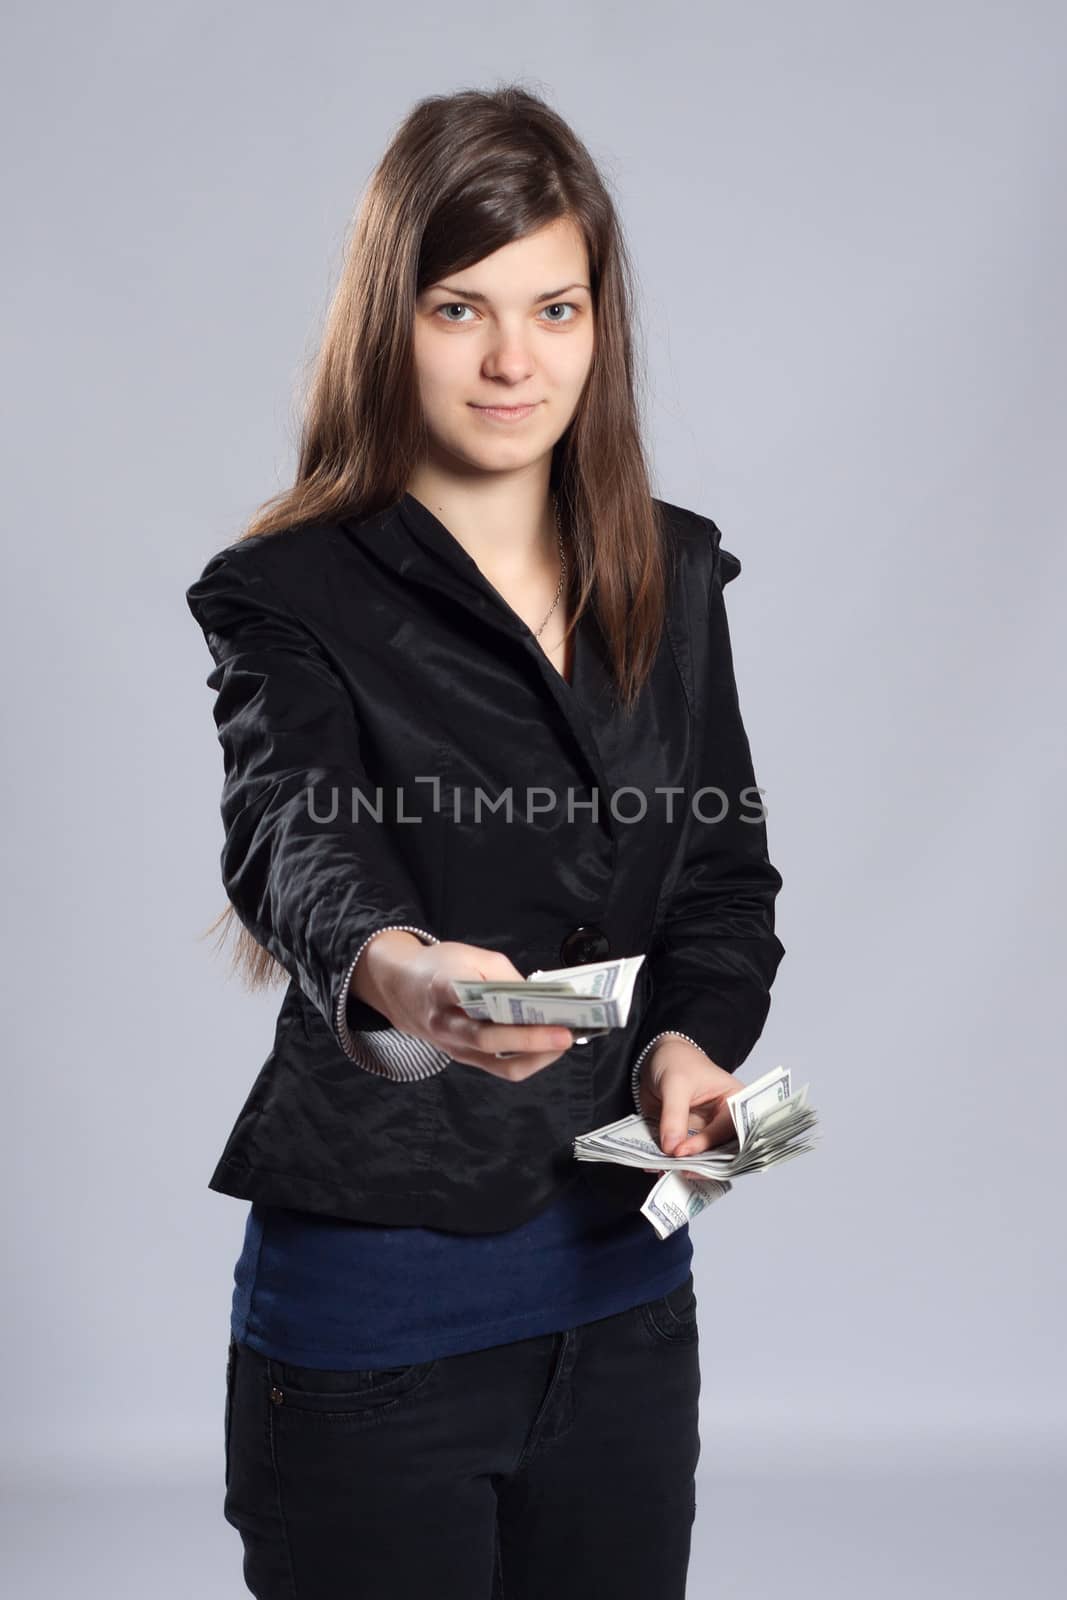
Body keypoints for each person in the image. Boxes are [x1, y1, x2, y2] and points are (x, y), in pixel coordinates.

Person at [186, 84, 785, 1600]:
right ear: (391, 320)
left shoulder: (677, 571)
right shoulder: (287, 594)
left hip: (628, 1303)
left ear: (601, 323)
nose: (516, 360)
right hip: (373, 1335)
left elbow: (722, 880)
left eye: (555, 307)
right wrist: (406, 974)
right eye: (463, 309)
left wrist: (691, 1051)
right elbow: (291, 840)